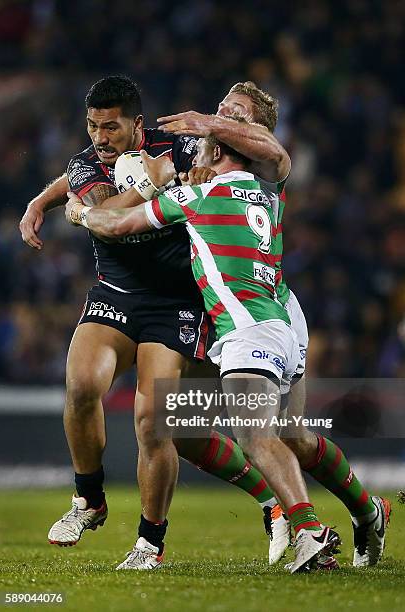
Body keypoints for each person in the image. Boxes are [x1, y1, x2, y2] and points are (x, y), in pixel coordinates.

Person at [18, 76, 287, 564]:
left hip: (179, 301)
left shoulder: (184, 147)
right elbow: (99, 209)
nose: (100, 138)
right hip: (116, 295)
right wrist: (49, 200)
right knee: (80, 387)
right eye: (92, 126)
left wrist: (194, 173)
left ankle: (149, 542)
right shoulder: (86, 162)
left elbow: (244, 159)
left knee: (155, 422)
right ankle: (89, 499)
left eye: (111, 128)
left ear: (137, 124)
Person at [65, 126, 342, 574]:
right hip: (284, 320)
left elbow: (115, 223)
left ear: (218, 152)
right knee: (213, 431)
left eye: (207, 148)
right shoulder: (268, 192)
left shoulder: (201, 196)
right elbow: (273, 155)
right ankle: (364, 512)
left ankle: (310, 531)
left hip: (244, 331)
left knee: (253, 435)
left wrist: (78, 213)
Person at [157, 82, 391, 568]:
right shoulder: (204, 157)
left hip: (270, 309)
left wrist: (210, 125)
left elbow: (274, 150)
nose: (222, 116)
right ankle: (335, 511)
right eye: (221, 107)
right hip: (220, 308)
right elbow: (153, 173)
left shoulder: (265, 166)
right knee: (223, 428)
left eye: (236, 114)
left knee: (288, 436)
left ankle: (336, 518)